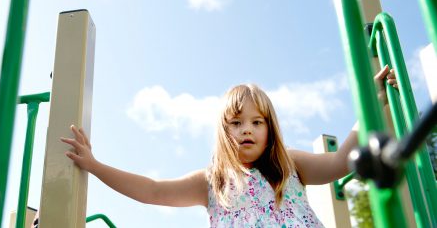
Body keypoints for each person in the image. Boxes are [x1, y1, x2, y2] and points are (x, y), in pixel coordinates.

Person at [58, 66, 397, 227]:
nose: (246, 130)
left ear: (270, 128)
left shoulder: (289, 165)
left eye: (256, 122)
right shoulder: (213, 182)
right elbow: (153, 190)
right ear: (224, 131)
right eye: (236, 123)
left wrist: (374, 102)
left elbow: (341, 162)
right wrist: (95, 165)